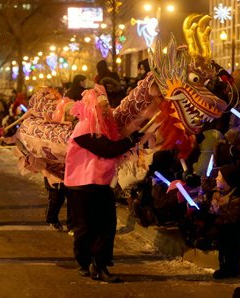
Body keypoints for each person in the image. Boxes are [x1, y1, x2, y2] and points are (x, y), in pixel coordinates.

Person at [64, 85, 143, 283]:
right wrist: (130, 140)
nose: (107, 109)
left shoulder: (105, 126)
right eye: (103, 105)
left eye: (108, 104)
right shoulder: (84, 128)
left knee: (106, 226)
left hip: (100, 183)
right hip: (82, 184)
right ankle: (86, 262)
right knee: (87, 227)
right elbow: (107, 149)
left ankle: (99, 263)